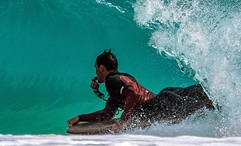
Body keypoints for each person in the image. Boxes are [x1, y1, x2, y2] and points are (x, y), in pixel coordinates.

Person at [67, 50, 213, 132]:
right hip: (164, 99)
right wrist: (81, 118)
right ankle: (219, 85)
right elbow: (107, 114)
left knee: (203, 105)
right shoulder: (115, 89)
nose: (95, 72)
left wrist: (123, 122)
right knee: (204, 92)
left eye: (95, 68)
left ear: (101, 68)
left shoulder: (113, 80)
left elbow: (133, 93)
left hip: (160, 105)